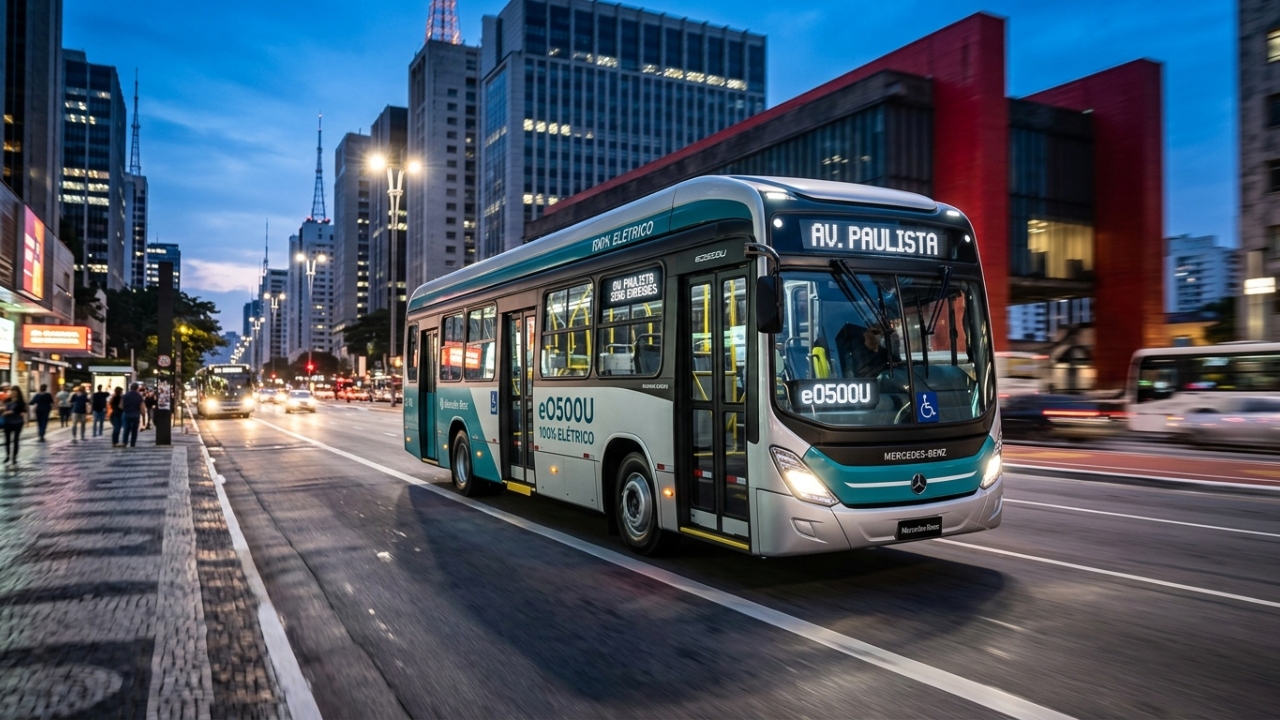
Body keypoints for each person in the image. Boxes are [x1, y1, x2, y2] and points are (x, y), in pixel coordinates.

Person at [4, 386, 27, 464]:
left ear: (18, 393)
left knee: (16, 440)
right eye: (12, 392)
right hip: (8, 422)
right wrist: (3, 410)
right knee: (7, 440)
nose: (13, 394)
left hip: (17, 422)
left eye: (15, 392)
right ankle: (7, 455)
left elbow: (24, 411)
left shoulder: (21, 402)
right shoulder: (7, 400)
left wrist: (21, 413)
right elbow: (4, 409)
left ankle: (14, 457)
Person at [121, 383, 144, 448]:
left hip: (126, 414)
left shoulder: (125, 396)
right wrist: (143, 416)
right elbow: (142, 408)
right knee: (134, 430)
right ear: (137, 388)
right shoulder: (139, 396)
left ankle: (125, 442)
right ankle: (132, 443)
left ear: (130, 388)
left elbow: (121, 406)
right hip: (136, 415)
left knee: (126, 429)